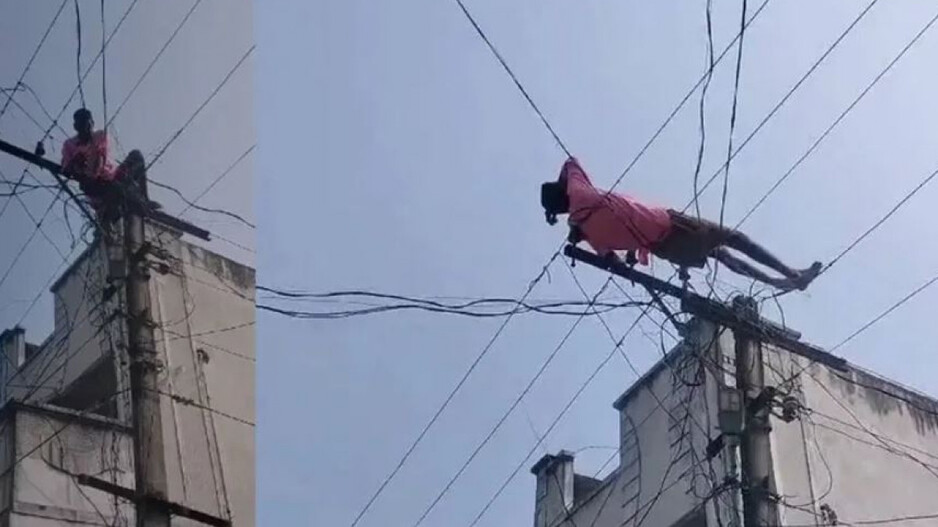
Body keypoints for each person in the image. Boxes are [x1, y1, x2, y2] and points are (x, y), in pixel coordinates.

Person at [540, 157, 822, 291]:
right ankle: (790, 275)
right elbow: (570, 163)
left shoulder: (590, 234)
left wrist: (585, 236)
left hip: (667, 249)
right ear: (564, 193)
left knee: (720, 255)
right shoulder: (578, 192)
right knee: (735, 239)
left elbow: (610, 262)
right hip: (672, 225)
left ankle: (776, 282)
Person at [61, 108, 151, 223]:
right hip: (93, 187)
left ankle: (144, 200)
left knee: (136, 156)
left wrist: (92, 173)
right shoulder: (69, 145)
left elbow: (100, 158)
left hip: (113, 177)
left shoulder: (100, 136)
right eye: (82, 126)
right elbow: (65, 169)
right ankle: (115, 206)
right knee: (115, 193)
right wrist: (75, 162)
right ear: (76, 127)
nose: (87, 130)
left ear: (92, 124)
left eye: (88, 125)